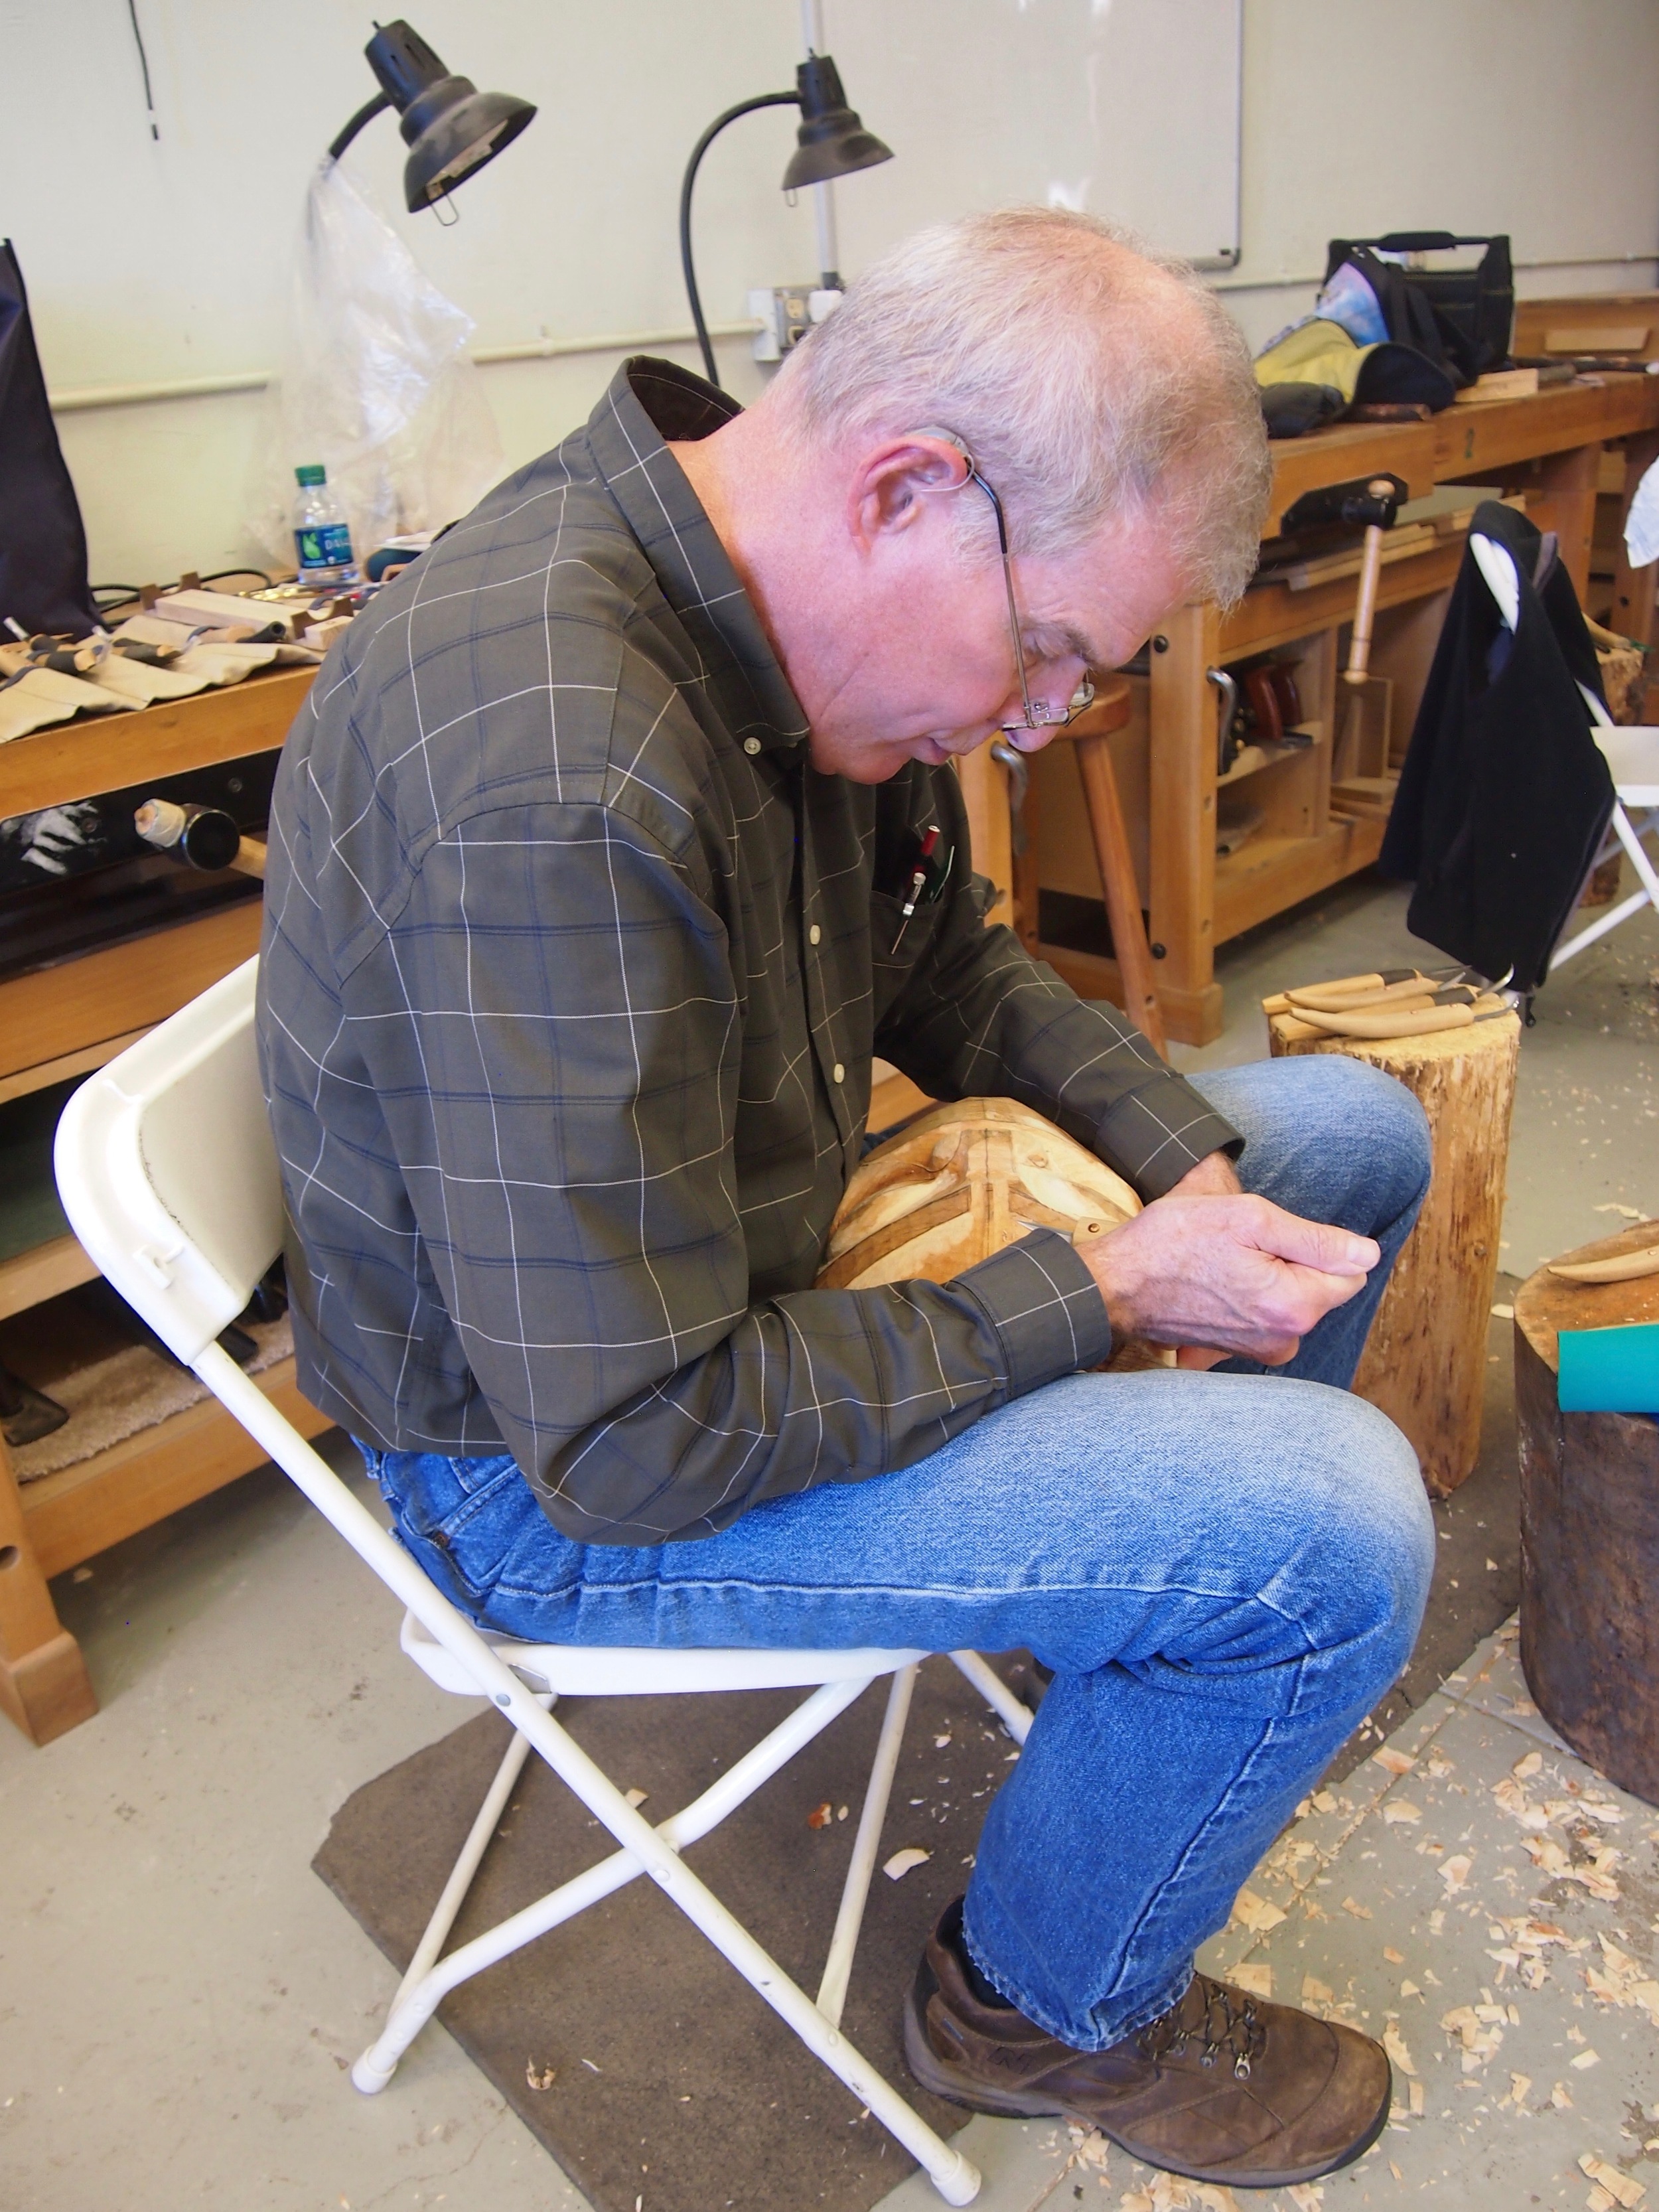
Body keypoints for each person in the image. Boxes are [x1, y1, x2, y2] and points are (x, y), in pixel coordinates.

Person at [259, 207, 1433, 2190]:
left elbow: (944, 964)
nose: (1040, 715)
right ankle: (1041, 2005)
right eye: (1051, 652)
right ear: (908, 488)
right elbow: (634, 1441)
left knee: (1342, 1136)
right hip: (558, 1474)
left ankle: (1137, 1647)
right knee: (1327, 1540)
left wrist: (1182, 1176)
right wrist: (1092, 1285)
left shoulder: (768, 610)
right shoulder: (562, 776)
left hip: (722, 1262)